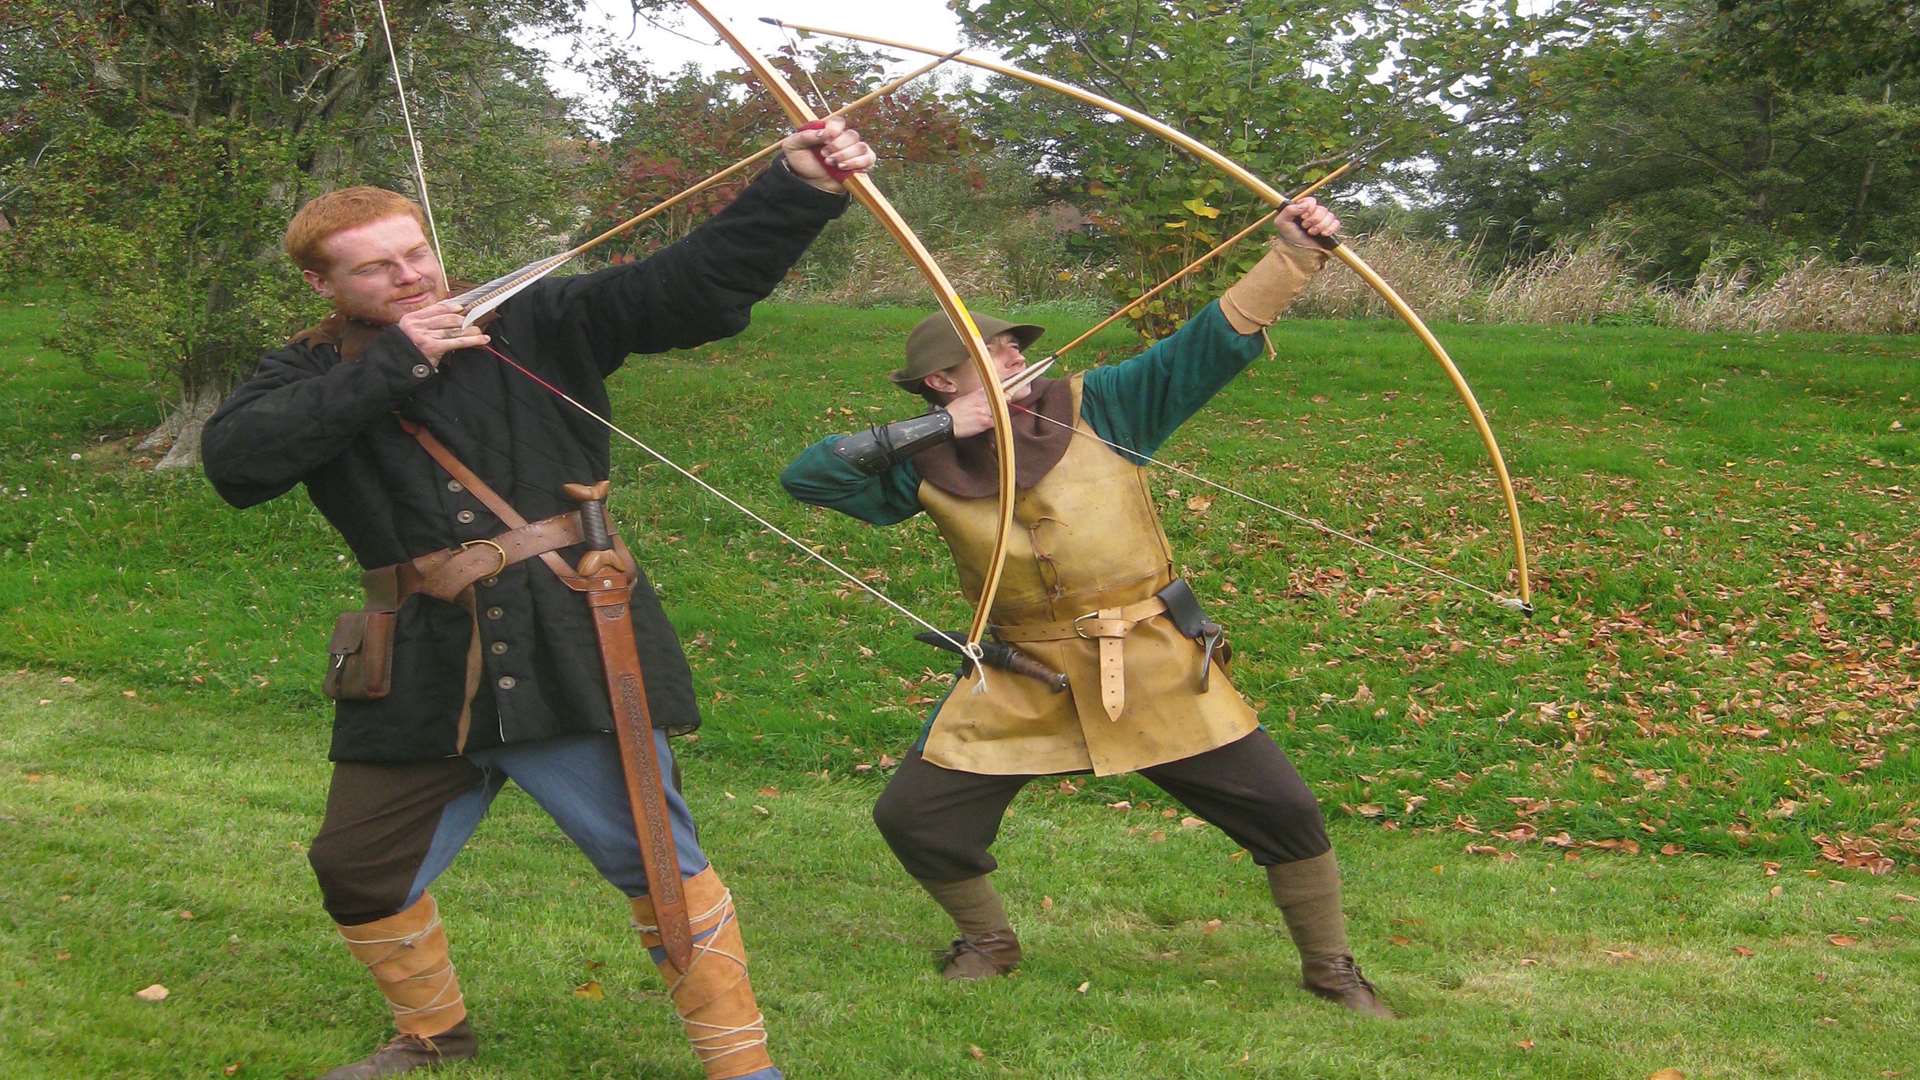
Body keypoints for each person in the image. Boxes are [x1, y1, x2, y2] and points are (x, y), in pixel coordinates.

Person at [202, 120, 876, 1080]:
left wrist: (799, 186)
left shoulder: (536, 321)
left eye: (416, 254)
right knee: (356, 870)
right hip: (421, 661)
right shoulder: (309, 370)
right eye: (375, 270)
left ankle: (743, 1067)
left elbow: (690, 283)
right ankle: (433, 1036)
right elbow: (238, 464)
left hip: (570, 633)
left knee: (657, 867)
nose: (409, 278)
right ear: (323, 286)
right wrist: (398, 362)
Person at [779, 198, 1392, 1017]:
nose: (1011, 354)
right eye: (988, 353)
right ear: (941, 382)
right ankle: (989, 943)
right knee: (916, 819)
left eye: (1010, 346)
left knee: (1285, 811)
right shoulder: (923, 461)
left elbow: (1207, 346)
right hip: (1024, 673)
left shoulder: (1103, 404)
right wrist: (934, 429)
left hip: (1149, 655)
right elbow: (807, 478)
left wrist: (1291, 255)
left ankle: (1332, 970)